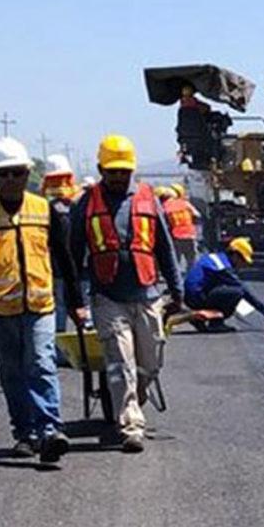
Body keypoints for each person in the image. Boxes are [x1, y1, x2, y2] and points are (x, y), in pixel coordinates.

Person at [0, 137, 85, 462]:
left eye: (16, 173)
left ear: (27, 174)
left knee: (41, 364)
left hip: (40, 306)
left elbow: (65, 259)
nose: (10, 180)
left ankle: (50, 430)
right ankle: (24, 433)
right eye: (3, 174)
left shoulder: (43, 209)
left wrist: (78, 302)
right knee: (11, 372)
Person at [70, 134, 183, 453]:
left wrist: (177, 290)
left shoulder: (147, 198)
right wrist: (77, 300)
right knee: (121, 362)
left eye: (124, 171)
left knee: (149, 362)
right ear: (101, 169)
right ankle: (131, 424)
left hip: (148, 294)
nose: (119, 177)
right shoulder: (87, 204)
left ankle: (135, 399)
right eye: (112, 171)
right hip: (107, 297)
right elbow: (73, 254)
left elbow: (165, 247)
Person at [184, 237, 264, 332]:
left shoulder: (216, 258)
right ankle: (216, 323)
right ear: (235, 255)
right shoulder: (223, 268)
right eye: (243, 260)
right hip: (196, 298)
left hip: (192, 296)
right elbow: (243, 289)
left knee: (226, 288)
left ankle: (199, 320)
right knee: (237, 292)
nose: (243, 264)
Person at [41, 154, 83, 364]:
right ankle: (85, 347)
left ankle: (57, 351)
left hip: (55, 267)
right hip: (77, 266)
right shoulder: (77, 204)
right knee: (82, 306)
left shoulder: (43, 207)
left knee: (58, 307)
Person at [161, 184, 200, 271]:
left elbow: (164, 222)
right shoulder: (185, 204)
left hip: (176, 236)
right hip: (190, 235)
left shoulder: (165, 206)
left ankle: (176, 277)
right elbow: (197, 215)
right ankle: (192, 275)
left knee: (175, 260)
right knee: (191, 260)